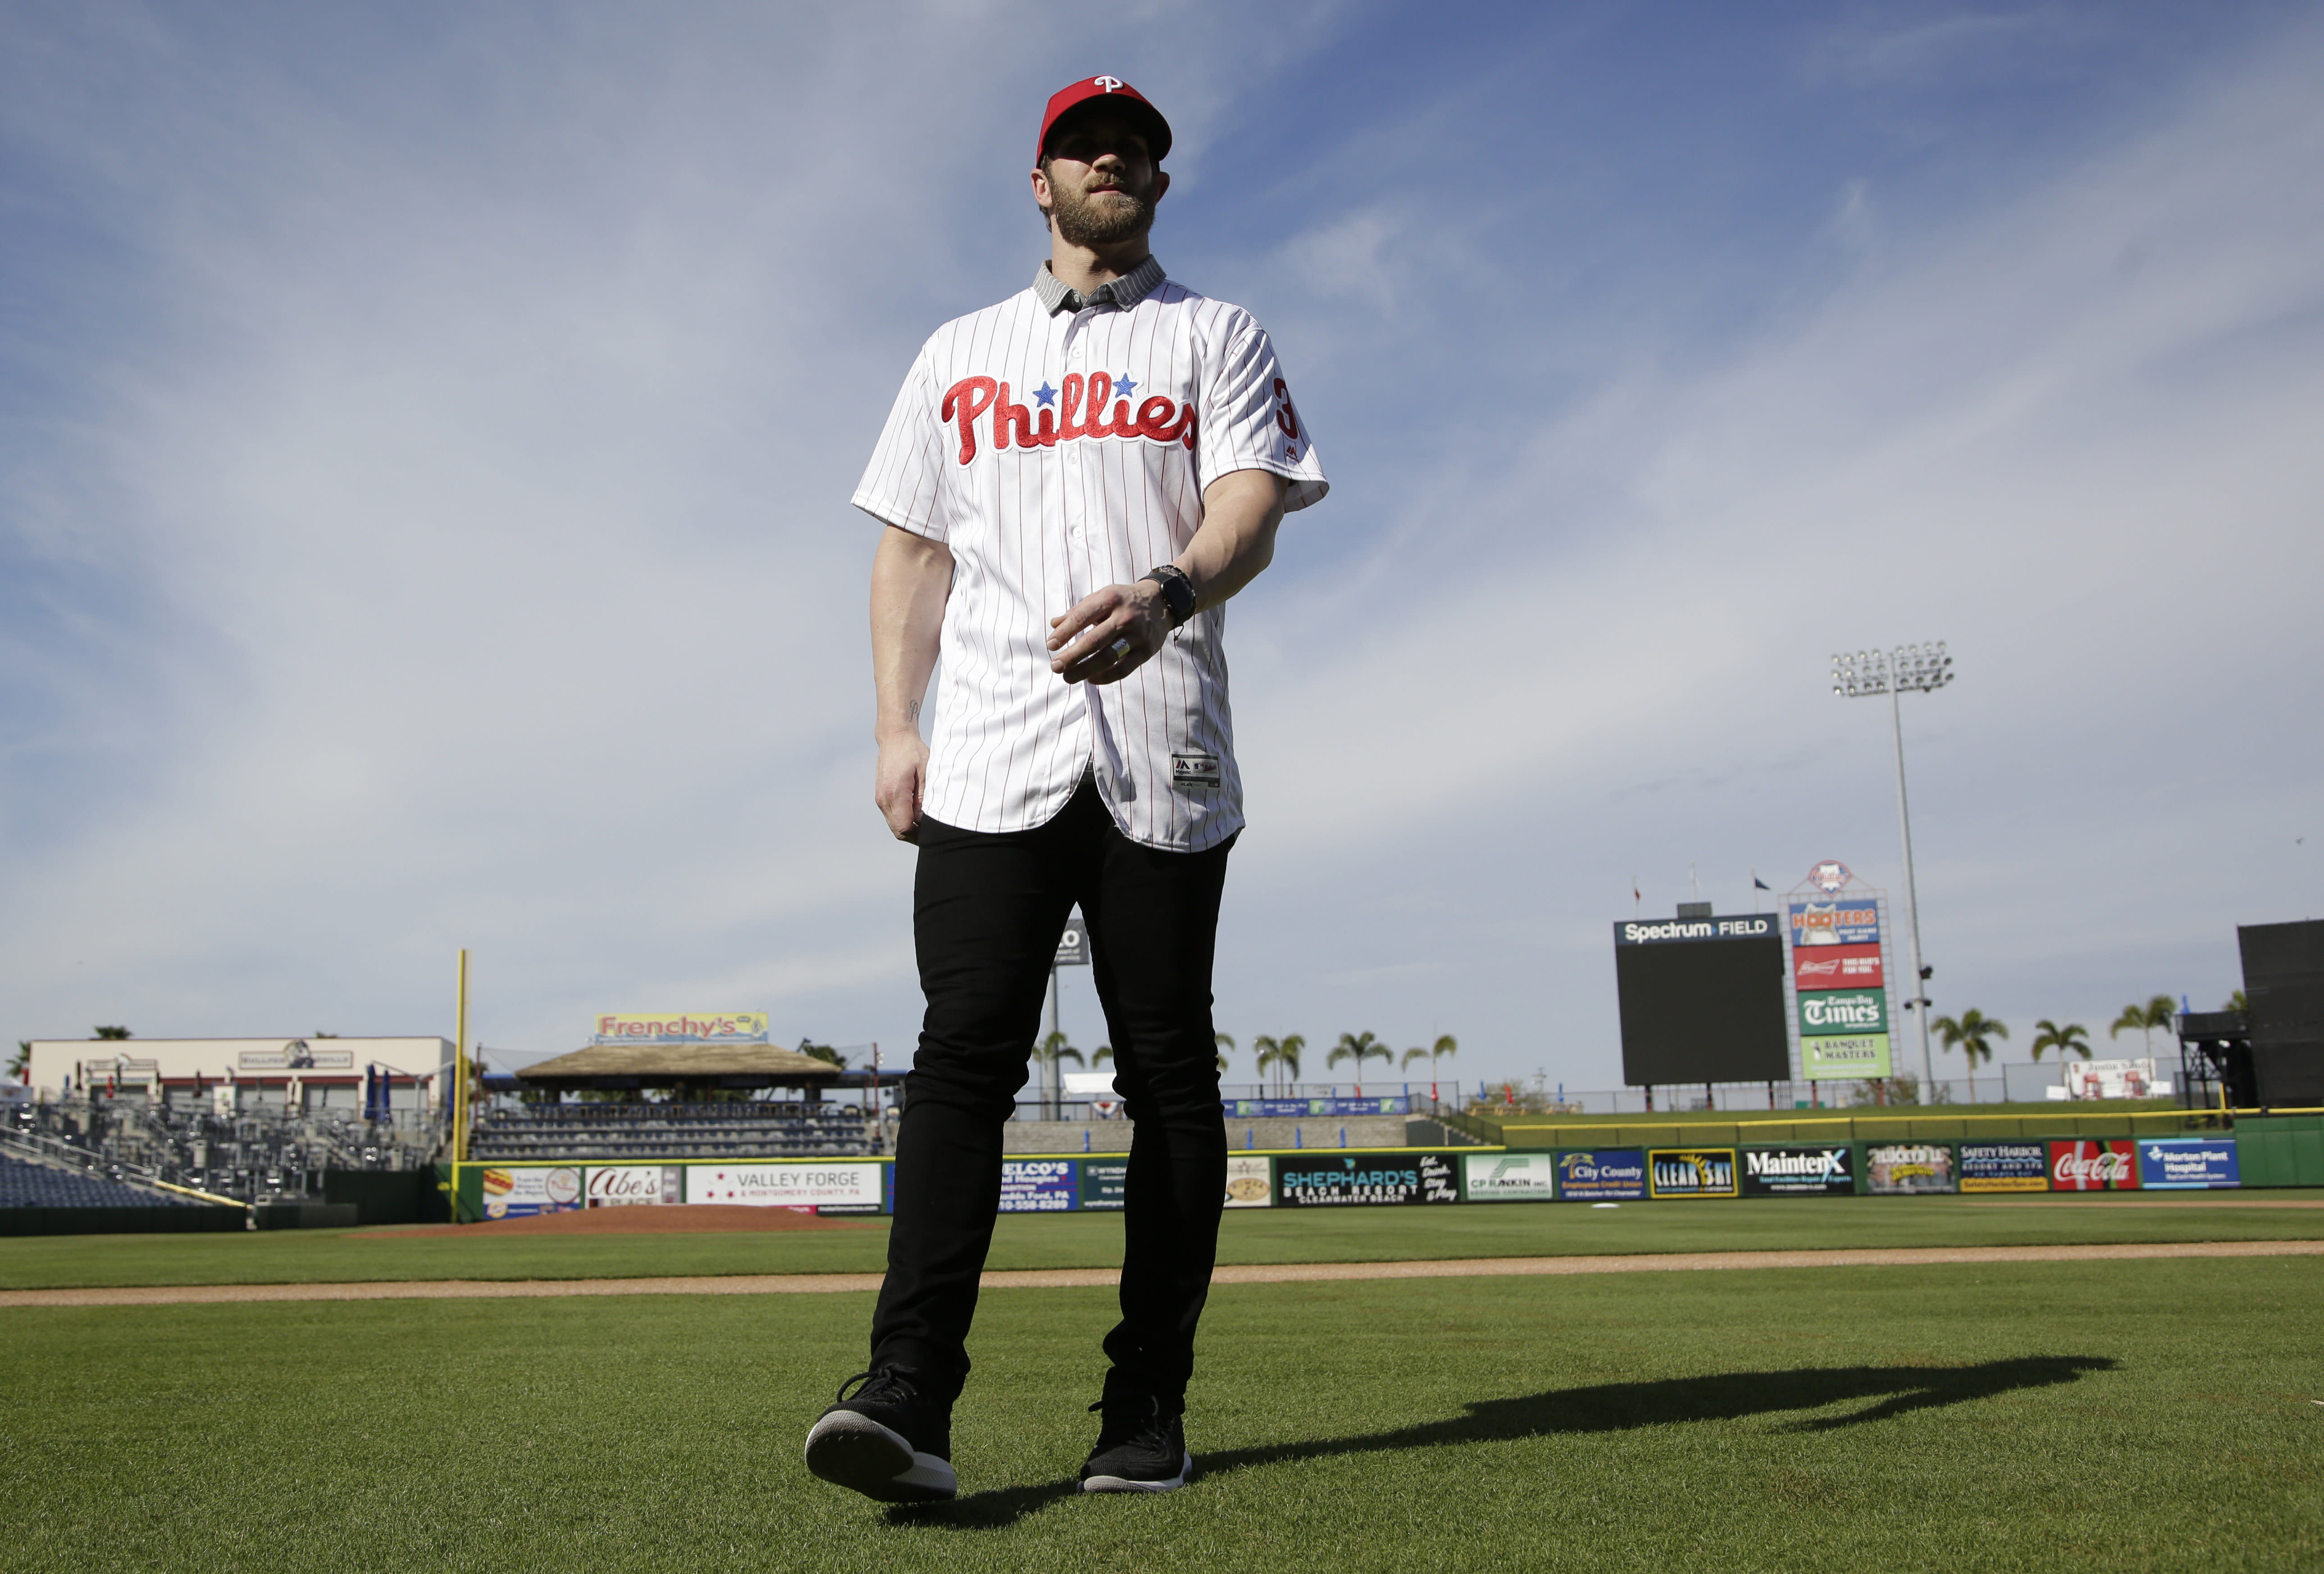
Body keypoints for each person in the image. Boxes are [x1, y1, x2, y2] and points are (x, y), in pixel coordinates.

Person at [803, 74, 1328, 1503]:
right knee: (962, 1056)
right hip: (985, 747)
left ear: (1160, 182)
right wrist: (890, 728)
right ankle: (908, 1395)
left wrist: (1169, 589)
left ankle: (1145, 1405)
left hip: (1163, 745)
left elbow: (1252, 506)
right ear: (1039, 182)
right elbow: (910, 555)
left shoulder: (1214, 331)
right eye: (1085, 145)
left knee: (1169, 1074)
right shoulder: (957, 353)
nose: (1115, 158)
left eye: (1138, 146)